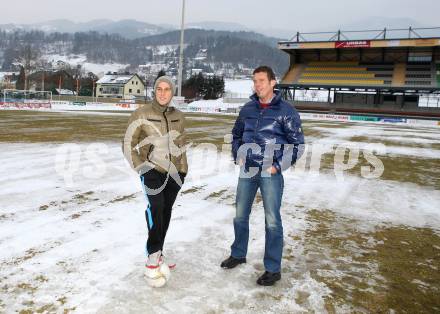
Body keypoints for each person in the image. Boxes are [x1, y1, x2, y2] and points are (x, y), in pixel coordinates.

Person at [221, 66, 304, 286]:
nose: (257, 85)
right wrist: (237, 152)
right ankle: (238, 254)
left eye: (261, 81)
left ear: (273, 82)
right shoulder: (248, 108)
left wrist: (277, 166)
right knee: (240, 215)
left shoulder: (286, 111)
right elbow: (236, 134)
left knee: (272, 221)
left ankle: (273, 268)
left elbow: (298, 145)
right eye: (255, 81)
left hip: (270, 171)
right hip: (247, 170)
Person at [123, 75, 188, 272]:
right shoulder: (141, 113)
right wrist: (142, 167)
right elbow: (127, 143)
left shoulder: (179, 115)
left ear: (172, 92)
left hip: (174, 173)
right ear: (154, 91)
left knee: (165, 212)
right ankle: (153, 252)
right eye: (159, 89)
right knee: (156, 207)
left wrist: (183, 170)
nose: (162, 93)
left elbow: (182, 145)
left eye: (167, 89)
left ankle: (159, 251)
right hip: (151, 170)